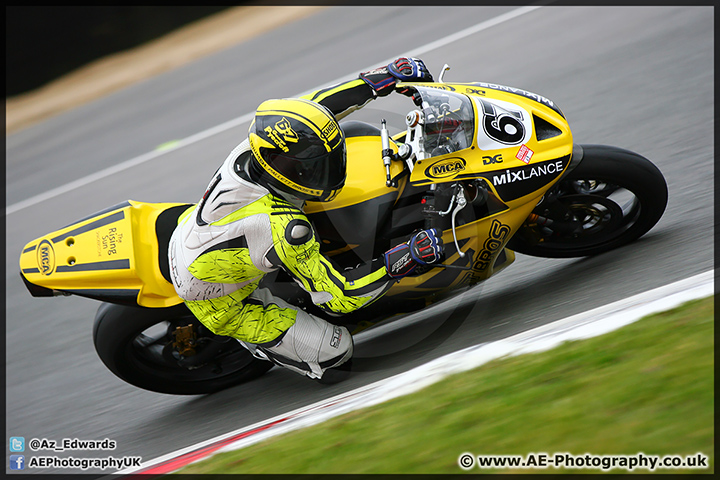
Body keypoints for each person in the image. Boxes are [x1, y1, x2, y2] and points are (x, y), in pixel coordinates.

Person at [168, 58, 444, 382]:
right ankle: (253, 341)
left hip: (206, 235)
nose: (318, 172)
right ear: (275, 165)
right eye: (305, 168)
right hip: (219, 295)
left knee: (347, 137)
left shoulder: (260, 145)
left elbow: (318, 110)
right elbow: (339, 297)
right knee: (337, 353)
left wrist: (380, 79)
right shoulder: (282, 229)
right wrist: (400, 260)